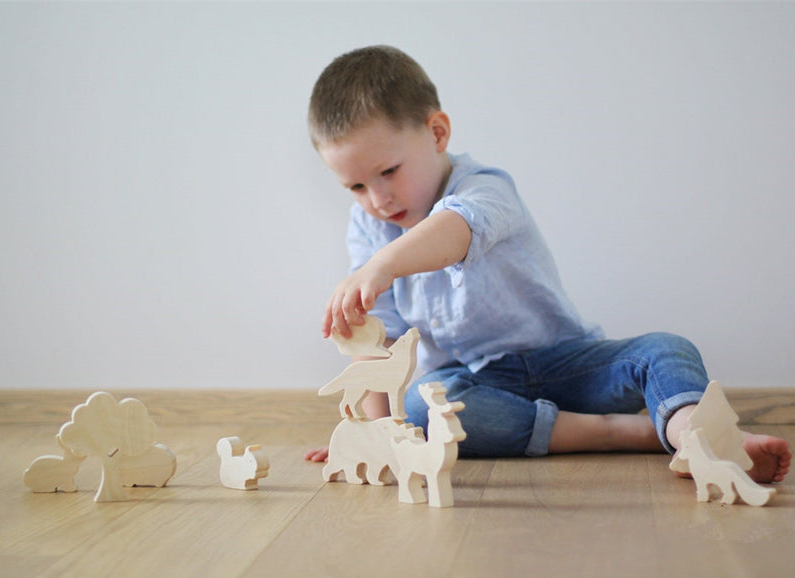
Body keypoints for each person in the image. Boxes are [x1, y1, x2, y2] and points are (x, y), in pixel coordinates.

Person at [304, 45, 790, 484]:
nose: (379, 199)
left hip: (569, 364)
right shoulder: (369, 228)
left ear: (437, 133)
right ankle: (629, 434)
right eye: (356, 187)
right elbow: (377, 343)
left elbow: (453, 234)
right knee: (425, 402)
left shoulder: (483, 188)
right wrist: (371, 432)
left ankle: (697, 435)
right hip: (483, 384)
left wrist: (381, 266)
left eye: (388, 171)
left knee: (665, 349)